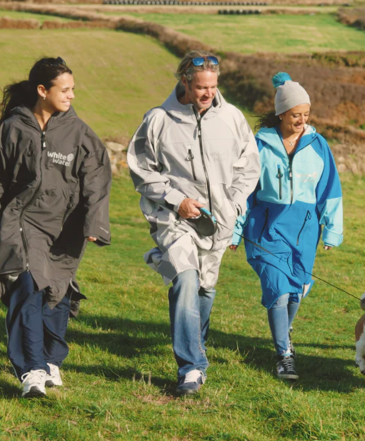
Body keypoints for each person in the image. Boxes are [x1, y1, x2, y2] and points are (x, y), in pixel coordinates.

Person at [0, 57, 112, 398]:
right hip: (21, 222)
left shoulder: (79, 133)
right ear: (42, 90)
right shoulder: (13, 128)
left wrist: (94, 221)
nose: (71, 96)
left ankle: (51, 360)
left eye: (72, 89)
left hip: (65, 227)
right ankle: (30, 370)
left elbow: (97, 177)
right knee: (26, 286)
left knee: (57, 291)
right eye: (65, 90)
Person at [127, 50, 260, 396]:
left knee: (205, 288)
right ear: (185, 82)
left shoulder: (232, 118)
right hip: (175, 219)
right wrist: (177, 200)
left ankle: (195, 348)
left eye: (213, 87)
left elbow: (249, 167)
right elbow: (141, 170)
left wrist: (234, 203)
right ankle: (191, 367)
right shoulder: (158, 120)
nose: (208, 93)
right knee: (185, 279)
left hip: (220, 223)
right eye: (201, 87)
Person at [230, 72, 343, 380]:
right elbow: (243, 190)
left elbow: (330, 189)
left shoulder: (318, 145)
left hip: (305, 230)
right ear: (281, 113)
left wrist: (332, 229)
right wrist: (234, 230)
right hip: (265, 228)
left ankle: (284, 332)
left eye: (306, 115)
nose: (302, 121)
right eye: (296, 115)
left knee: (296, 292)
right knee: (278, 291)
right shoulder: (259, 145)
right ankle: (284, 356)